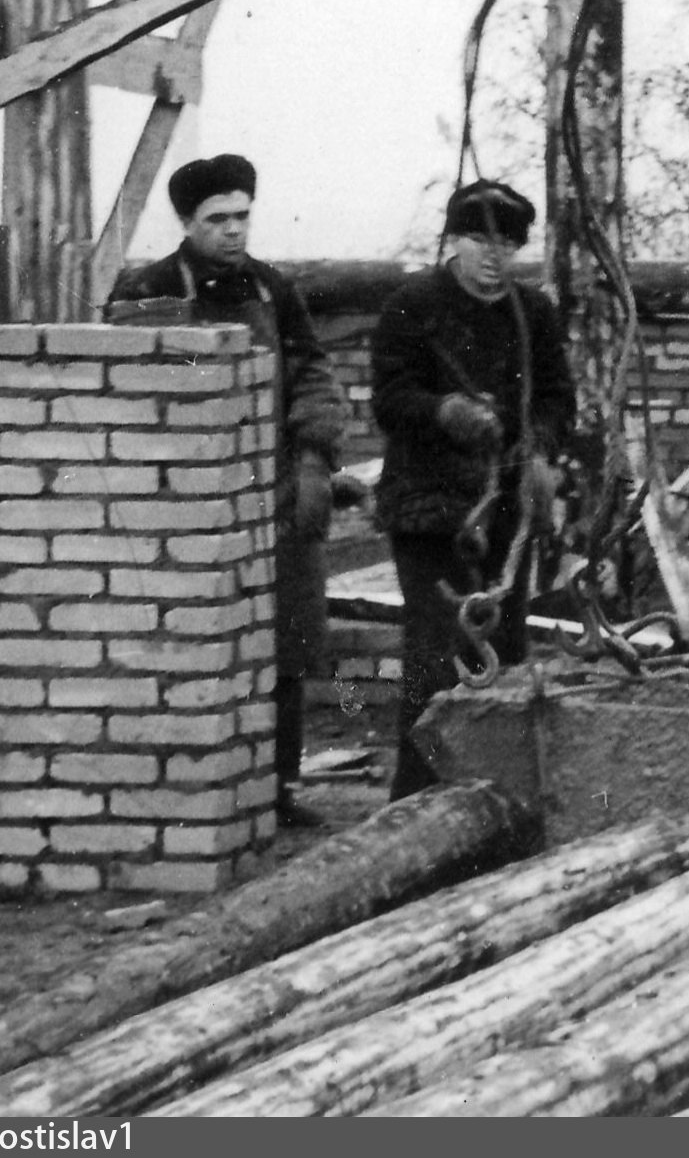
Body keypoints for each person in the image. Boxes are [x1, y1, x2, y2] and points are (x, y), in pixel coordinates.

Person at [105, 154, 346, 825]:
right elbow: (131, 384)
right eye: (218, 219)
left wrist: (313, 459)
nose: (234, 230)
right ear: (188, 223)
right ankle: (175, 783)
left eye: (242, 216)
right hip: (184, 500)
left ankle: (278, 787)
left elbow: (312, 372)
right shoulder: (151, 288)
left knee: (286, 642)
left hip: (271, 491)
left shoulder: (272, 288)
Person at [369, 178, 573, 798]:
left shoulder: (533, 313)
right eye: (480, 240)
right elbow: (390, 399)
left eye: (507, 244)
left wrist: (538, 445)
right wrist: (444, 412)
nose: (493, 256)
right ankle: (416, 797)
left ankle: (496, 797)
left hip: (505, 508)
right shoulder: (413, 306)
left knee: (503, 647)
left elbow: (558, 397)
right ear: (454, 240)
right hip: (428, 506)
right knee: (436, 654)